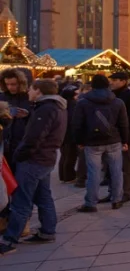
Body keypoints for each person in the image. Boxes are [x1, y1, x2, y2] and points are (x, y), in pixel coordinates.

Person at [0, 80, 67, 255]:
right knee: (43, 196)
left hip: (33, 160)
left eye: (31, 89)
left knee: (22, 201)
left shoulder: (45, 109)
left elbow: (34, 138)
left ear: (38, 91)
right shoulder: (56, 107)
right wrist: (29, 116)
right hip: (45, 158)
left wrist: (19, 155)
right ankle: (47, 231)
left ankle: (9, 240)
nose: (28, 92)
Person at [72, 75, 129, 213]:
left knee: (94, 172)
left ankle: (91, 202)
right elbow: (123, 123)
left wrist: (79, 141)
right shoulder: (118, 102)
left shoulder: (83, 102)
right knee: (116, 171)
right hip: (113, 140)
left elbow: (76, 124)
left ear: (92, 86)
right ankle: (116, 199)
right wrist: (125, 140)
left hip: (92, 141)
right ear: (107, 85)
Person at [109, 72, 130, 202]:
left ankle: (126, 192)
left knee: (127, 165)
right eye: (112, 80)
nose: (112, 82)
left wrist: (124, 125)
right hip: (111, 136)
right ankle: (113, 192)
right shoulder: (111, 95)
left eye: (115, 80)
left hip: (126, 135)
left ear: (123, 81)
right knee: (110, 165)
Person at [0, 68, 32, 174]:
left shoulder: (29, 97)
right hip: (5, 141)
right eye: (7, 84)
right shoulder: (2, 97)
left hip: (23, 142)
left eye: (13, 84)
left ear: (21, 83)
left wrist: (27, 115)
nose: (10, 87)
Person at [57, 85, 79, 183]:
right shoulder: (73, 104)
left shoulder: (60, 104)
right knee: (71, 155)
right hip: (70, 134)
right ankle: (69, 176)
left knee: (64, 155)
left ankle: (63, 175)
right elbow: (74, 120)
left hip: (62, 133)